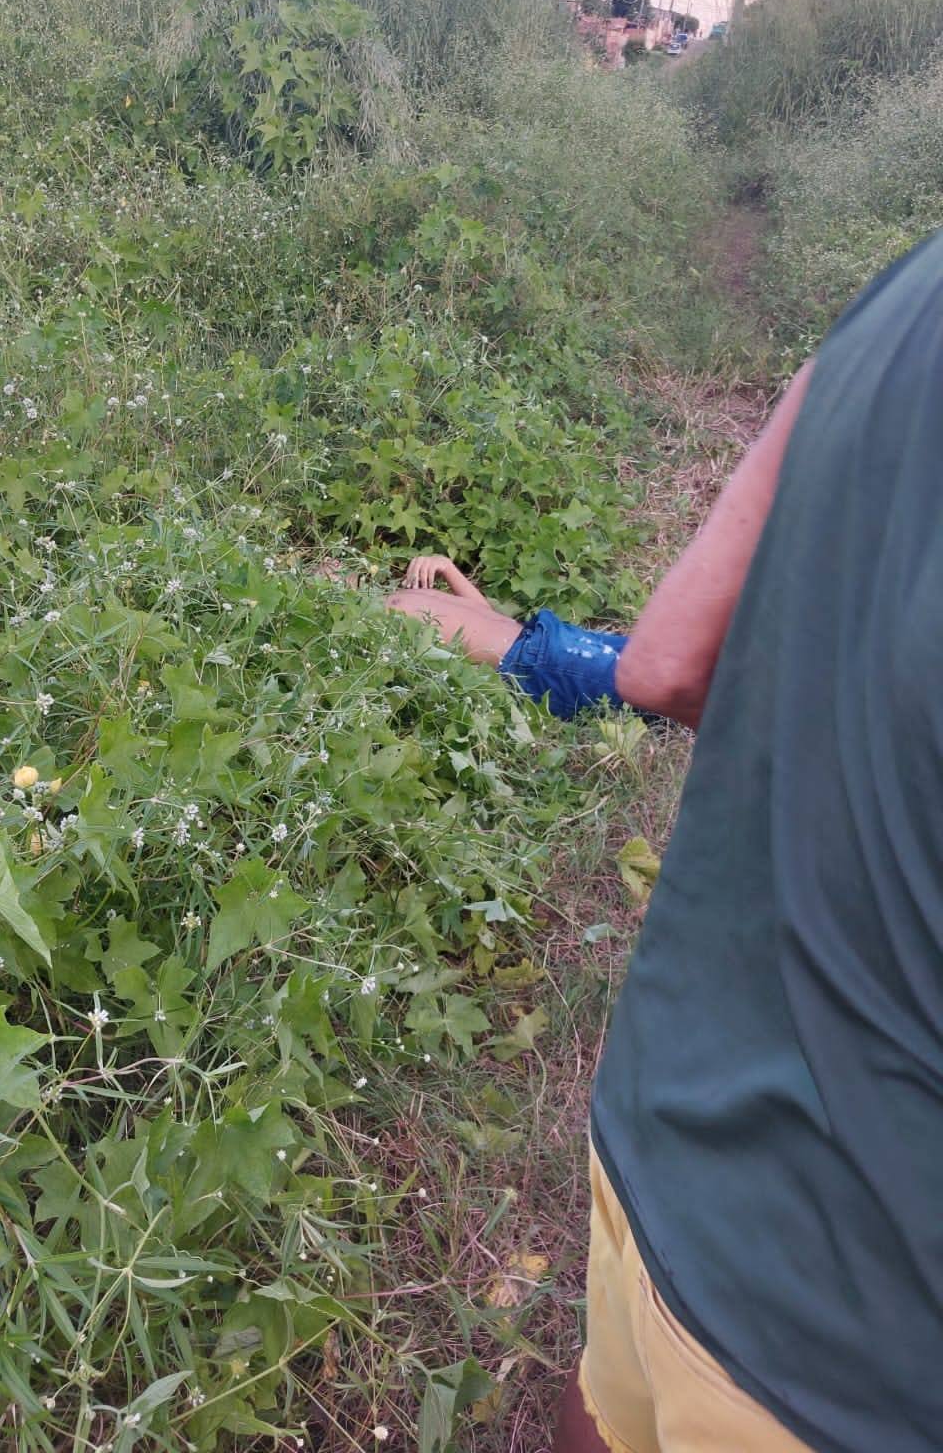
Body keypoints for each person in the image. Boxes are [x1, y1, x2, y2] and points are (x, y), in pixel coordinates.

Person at [555, 227, 943, 1453]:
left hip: (662, 1135)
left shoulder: (905, 291)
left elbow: (667, 663)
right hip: (862, 1340)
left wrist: (527, 646)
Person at [385, 554, 627, 720]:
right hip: (531, 664)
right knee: (643, 681)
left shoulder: (384, 598)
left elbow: (483, 617)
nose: (345, 564)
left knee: (648, 657)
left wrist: (447, 567)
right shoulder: (365, 620)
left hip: (542, 638)